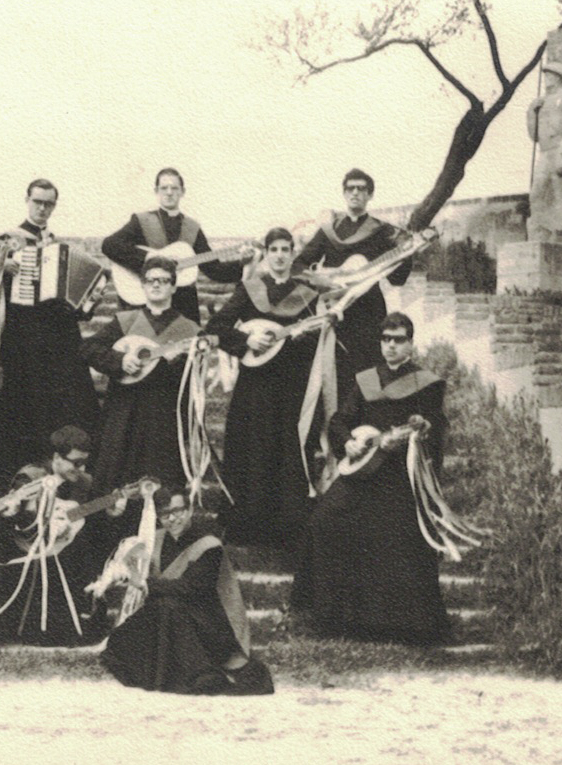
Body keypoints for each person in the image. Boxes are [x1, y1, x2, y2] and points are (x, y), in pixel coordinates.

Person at [291, 312, 451, 645]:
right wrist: (347, 442)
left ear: (410, 343)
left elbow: (435, 425)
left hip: (400, 475)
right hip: (363, 470)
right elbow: (340, 420)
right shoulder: (366, 380)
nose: (391, 346)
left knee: (397, 533)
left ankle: (398, 625)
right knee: (324, 520)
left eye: (399, 340)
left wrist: (420, 431)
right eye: (386, 339)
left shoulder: (427, 383)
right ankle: (334, 616)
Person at [0, 179, 101, 476]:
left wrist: (88, 300)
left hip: (58, 337)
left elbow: (74, 296)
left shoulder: (56, 244)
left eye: (48, 204)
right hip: (23, 336)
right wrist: (1, 267)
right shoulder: (10, 239)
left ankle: (67, 464)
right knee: (23, 402)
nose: (42, 208)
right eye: (38, 202)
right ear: (27, 201)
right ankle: (21, 468)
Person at [205, 227, 320, 552]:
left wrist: (302, 338)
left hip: (291, 384)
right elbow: (215, 327)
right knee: (251, 450)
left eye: (286, 249)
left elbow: (318, 337)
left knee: (288, 450)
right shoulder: (249, 289)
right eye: (274, 249)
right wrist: (246, 340)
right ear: (266, 254)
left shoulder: (306, 294)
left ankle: (287, 530)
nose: (280, 255)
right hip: (254, 387)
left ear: (293, 254)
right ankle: (248, 528)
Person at [98, 488, 273, 696]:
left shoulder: (209, 546)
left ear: (189, 510)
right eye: (165, 514)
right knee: (120, 641)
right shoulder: (155, 540)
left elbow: (192, 588)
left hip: (206, 622)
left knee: (168, 608)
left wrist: (144, 583)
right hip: (166, 613)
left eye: (178, 511)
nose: (172, 519)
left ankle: (201, 673)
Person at [80, 257, 199, 498]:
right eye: (150, 280)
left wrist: (176, 362)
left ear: (174, 287)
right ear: (143, 285)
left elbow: (193, 378)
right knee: (115, 474)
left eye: (163, 281)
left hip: (162, 414)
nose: (156, 285)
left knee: (158, 478)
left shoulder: (189, 329)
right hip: (123, 410)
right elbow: (89, 348)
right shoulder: (126, 321)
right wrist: (120, 360)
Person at [0, 425, 109, 646]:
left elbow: (81, 515)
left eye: (84, 462)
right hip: (28, 548)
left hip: (63, 547)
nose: (81, 468)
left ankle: (80, 619)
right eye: (76, 462)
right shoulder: (30, 477)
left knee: (85, 546)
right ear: (56, 457)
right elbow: (16, 521)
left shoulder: (83, 481)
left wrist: (111, 506)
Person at [296, 169, 411, 399]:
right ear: (344, 193)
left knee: (368, 374)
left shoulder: (383, 232)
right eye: (350, 188)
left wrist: (407, 252)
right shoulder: (329, 230)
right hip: (335, 311)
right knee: (335, 372)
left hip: (369, 314)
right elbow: (299, 266)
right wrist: (323, 282)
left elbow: (397, 279)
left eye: (361, 188)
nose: (355, 192)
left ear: (370, 195)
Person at [101, 168, 242, 323]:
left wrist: (245, 263)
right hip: (147, 305)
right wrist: (149, 259)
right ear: (156, 191)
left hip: (183, 307)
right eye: (164, 188)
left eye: (174, 188)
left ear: (182, 192)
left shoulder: (192, 227)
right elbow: (109, 245)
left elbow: (215, 269)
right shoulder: (142, 221)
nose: (169, 192)